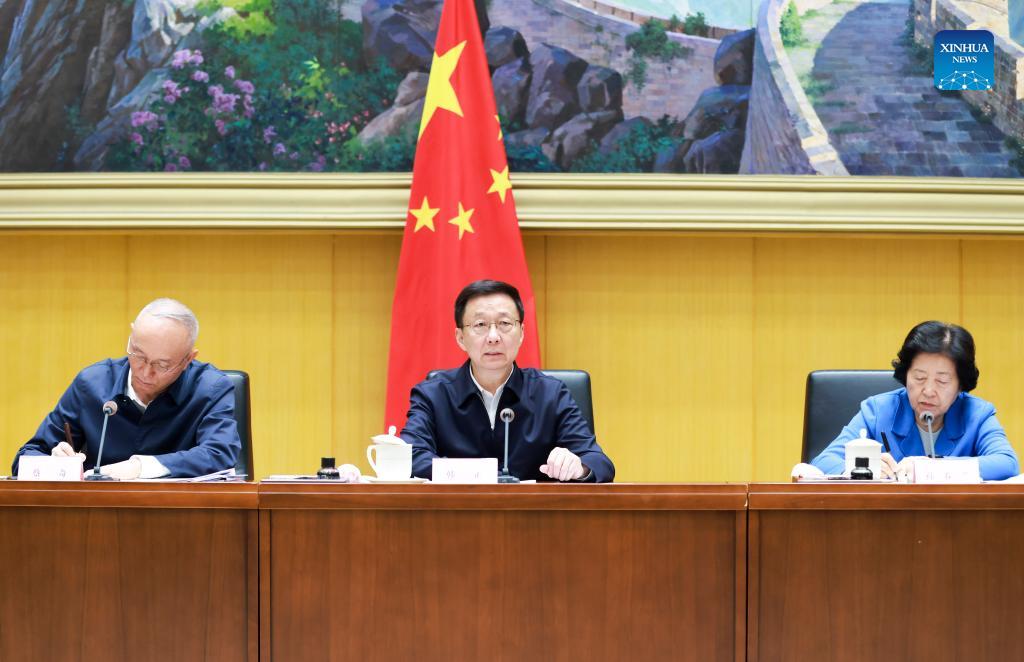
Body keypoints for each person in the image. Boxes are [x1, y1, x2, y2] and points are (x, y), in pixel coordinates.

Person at [401, 279, 614, 482]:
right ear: (460, 338)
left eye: (504, 323)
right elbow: (409, 457)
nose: (493, 337)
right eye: (480, 324)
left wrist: (579, 467)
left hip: (534, 509)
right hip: (456, 508)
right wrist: (479, 475)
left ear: (521, 333)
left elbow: (598, 462)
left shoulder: (551, 394)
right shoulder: (433, 395)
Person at [12, 298, 241, 479]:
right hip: (96, 516)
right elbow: (26, 457)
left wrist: (139, 467)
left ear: (189, 359)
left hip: (181, 515)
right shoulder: (92, 383)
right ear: (131, 337)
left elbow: (219, 453)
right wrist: (54, 463)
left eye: (162, 365)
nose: (145, 372)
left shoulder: (211, 389)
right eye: (138, 355)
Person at [811, 321, 1018, 481]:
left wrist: (931, 467)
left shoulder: (977, 415)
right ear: (906, 375)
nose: (928, 391)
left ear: (960, 384)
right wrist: (863, 470)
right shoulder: (878, 411)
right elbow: (823, 461)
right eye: (919, 378)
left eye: (942, 381)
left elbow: (1007, 463)